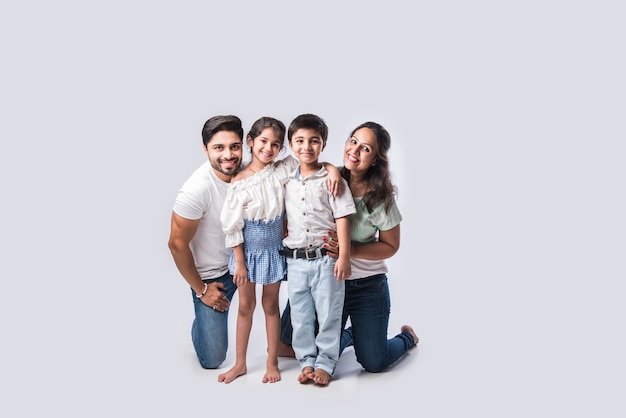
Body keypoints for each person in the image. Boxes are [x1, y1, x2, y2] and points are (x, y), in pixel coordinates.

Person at [279, 121, 419, 373]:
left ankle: (406, 338)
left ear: (376, 159)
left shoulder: (380, 198)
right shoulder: (329, 178)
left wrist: (347, 250)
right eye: (353, 141)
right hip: (323, 275)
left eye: (365, 148)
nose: (354, 150)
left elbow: (391, 246)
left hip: (366, 284)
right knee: (287, 344)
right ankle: (354, 334)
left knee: (374, 362)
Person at [218, 117, 343, 384]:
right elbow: (233, 227)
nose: (268, 148)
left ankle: (271, 360)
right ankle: (240, 363)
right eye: (263, 141)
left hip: (274, 250)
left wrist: (333, 169)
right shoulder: (238, 181)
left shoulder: (281, 169)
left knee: (271, 305)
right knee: (245, 307)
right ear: (250, 142)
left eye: (275, 144)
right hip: (248, 252)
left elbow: (311, 163)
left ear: (281, 147)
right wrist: (239, 262)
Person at [281, 114, 356, 385]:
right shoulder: (285, 179)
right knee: (300, 315)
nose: (306, 147)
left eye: (314, 141)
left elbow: (342, 217)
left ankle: (326, 362)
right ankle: (306, 361)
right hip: (296, 261)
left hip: (325, 259)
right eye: (299, 141)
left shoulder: (332, 179)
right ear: (290, 144)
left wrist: (344, 256)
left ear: (323, 144)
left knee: (328, 312)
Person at [168, 115, 244, 369]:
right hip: (215, 277)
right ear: (205, 149)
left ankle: (287, 336)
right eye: (218, 148)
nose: (228, 155)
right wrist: (201, 290)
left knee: (311, 267)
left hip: (249, 263)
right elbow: (176, 244)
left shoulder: (250, 171)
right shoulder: (195, 190)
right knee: (213, 360)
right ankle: (202, 319)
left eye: (234, 146)